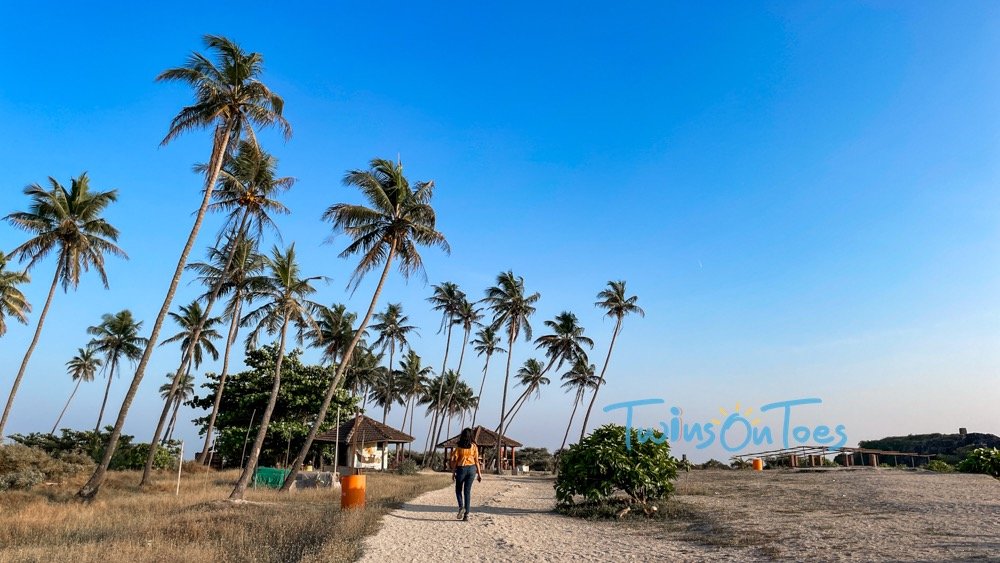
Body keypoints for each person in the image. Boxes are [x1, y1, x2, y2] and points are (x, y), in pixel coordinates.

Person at [449, 427, 482, 521]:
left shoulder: (459, 447)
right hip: (472, 469)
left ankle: (461, 507)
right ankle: (466, 515)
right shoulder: (474, 446)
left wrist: (453, 472)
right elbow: (476, 461)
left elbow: (455, 461)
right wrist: (479, 474)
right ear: (471, 436)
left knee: (458, 490)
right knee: (467, 492)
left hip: (461, 469)